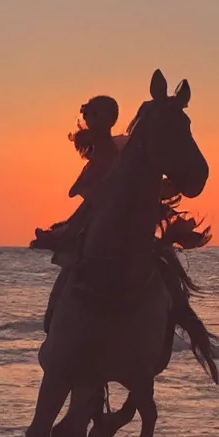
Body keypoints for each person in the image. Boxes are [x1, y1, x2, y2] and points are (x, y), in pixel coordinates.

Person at [32, 95, 126, 332]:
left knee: (75, 247)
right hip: (99, 209)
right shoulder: (103, 148)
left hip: (105, 211)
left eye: (95, 115)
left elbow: (99, 195)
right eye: (88, 116)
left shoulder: (111, 150)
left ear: (109, 118)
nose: (90, 121)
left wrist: (73, 226)